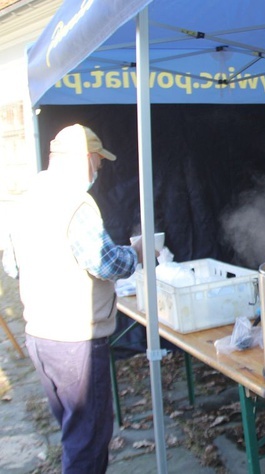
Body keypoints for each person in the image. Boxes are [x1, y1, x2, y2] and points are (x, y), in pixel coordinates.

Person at [2, 124, 144, 473]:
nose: (98, 171)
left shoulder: (30, 195)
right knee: (88, 438)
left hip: (39, 334)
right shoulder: (74, 202)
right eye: (97, 163)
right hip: (74, 340)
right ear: (85, 160)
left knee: (73, 430)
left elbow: (12, 266)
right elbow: (105, 262)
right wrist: (136, 252)